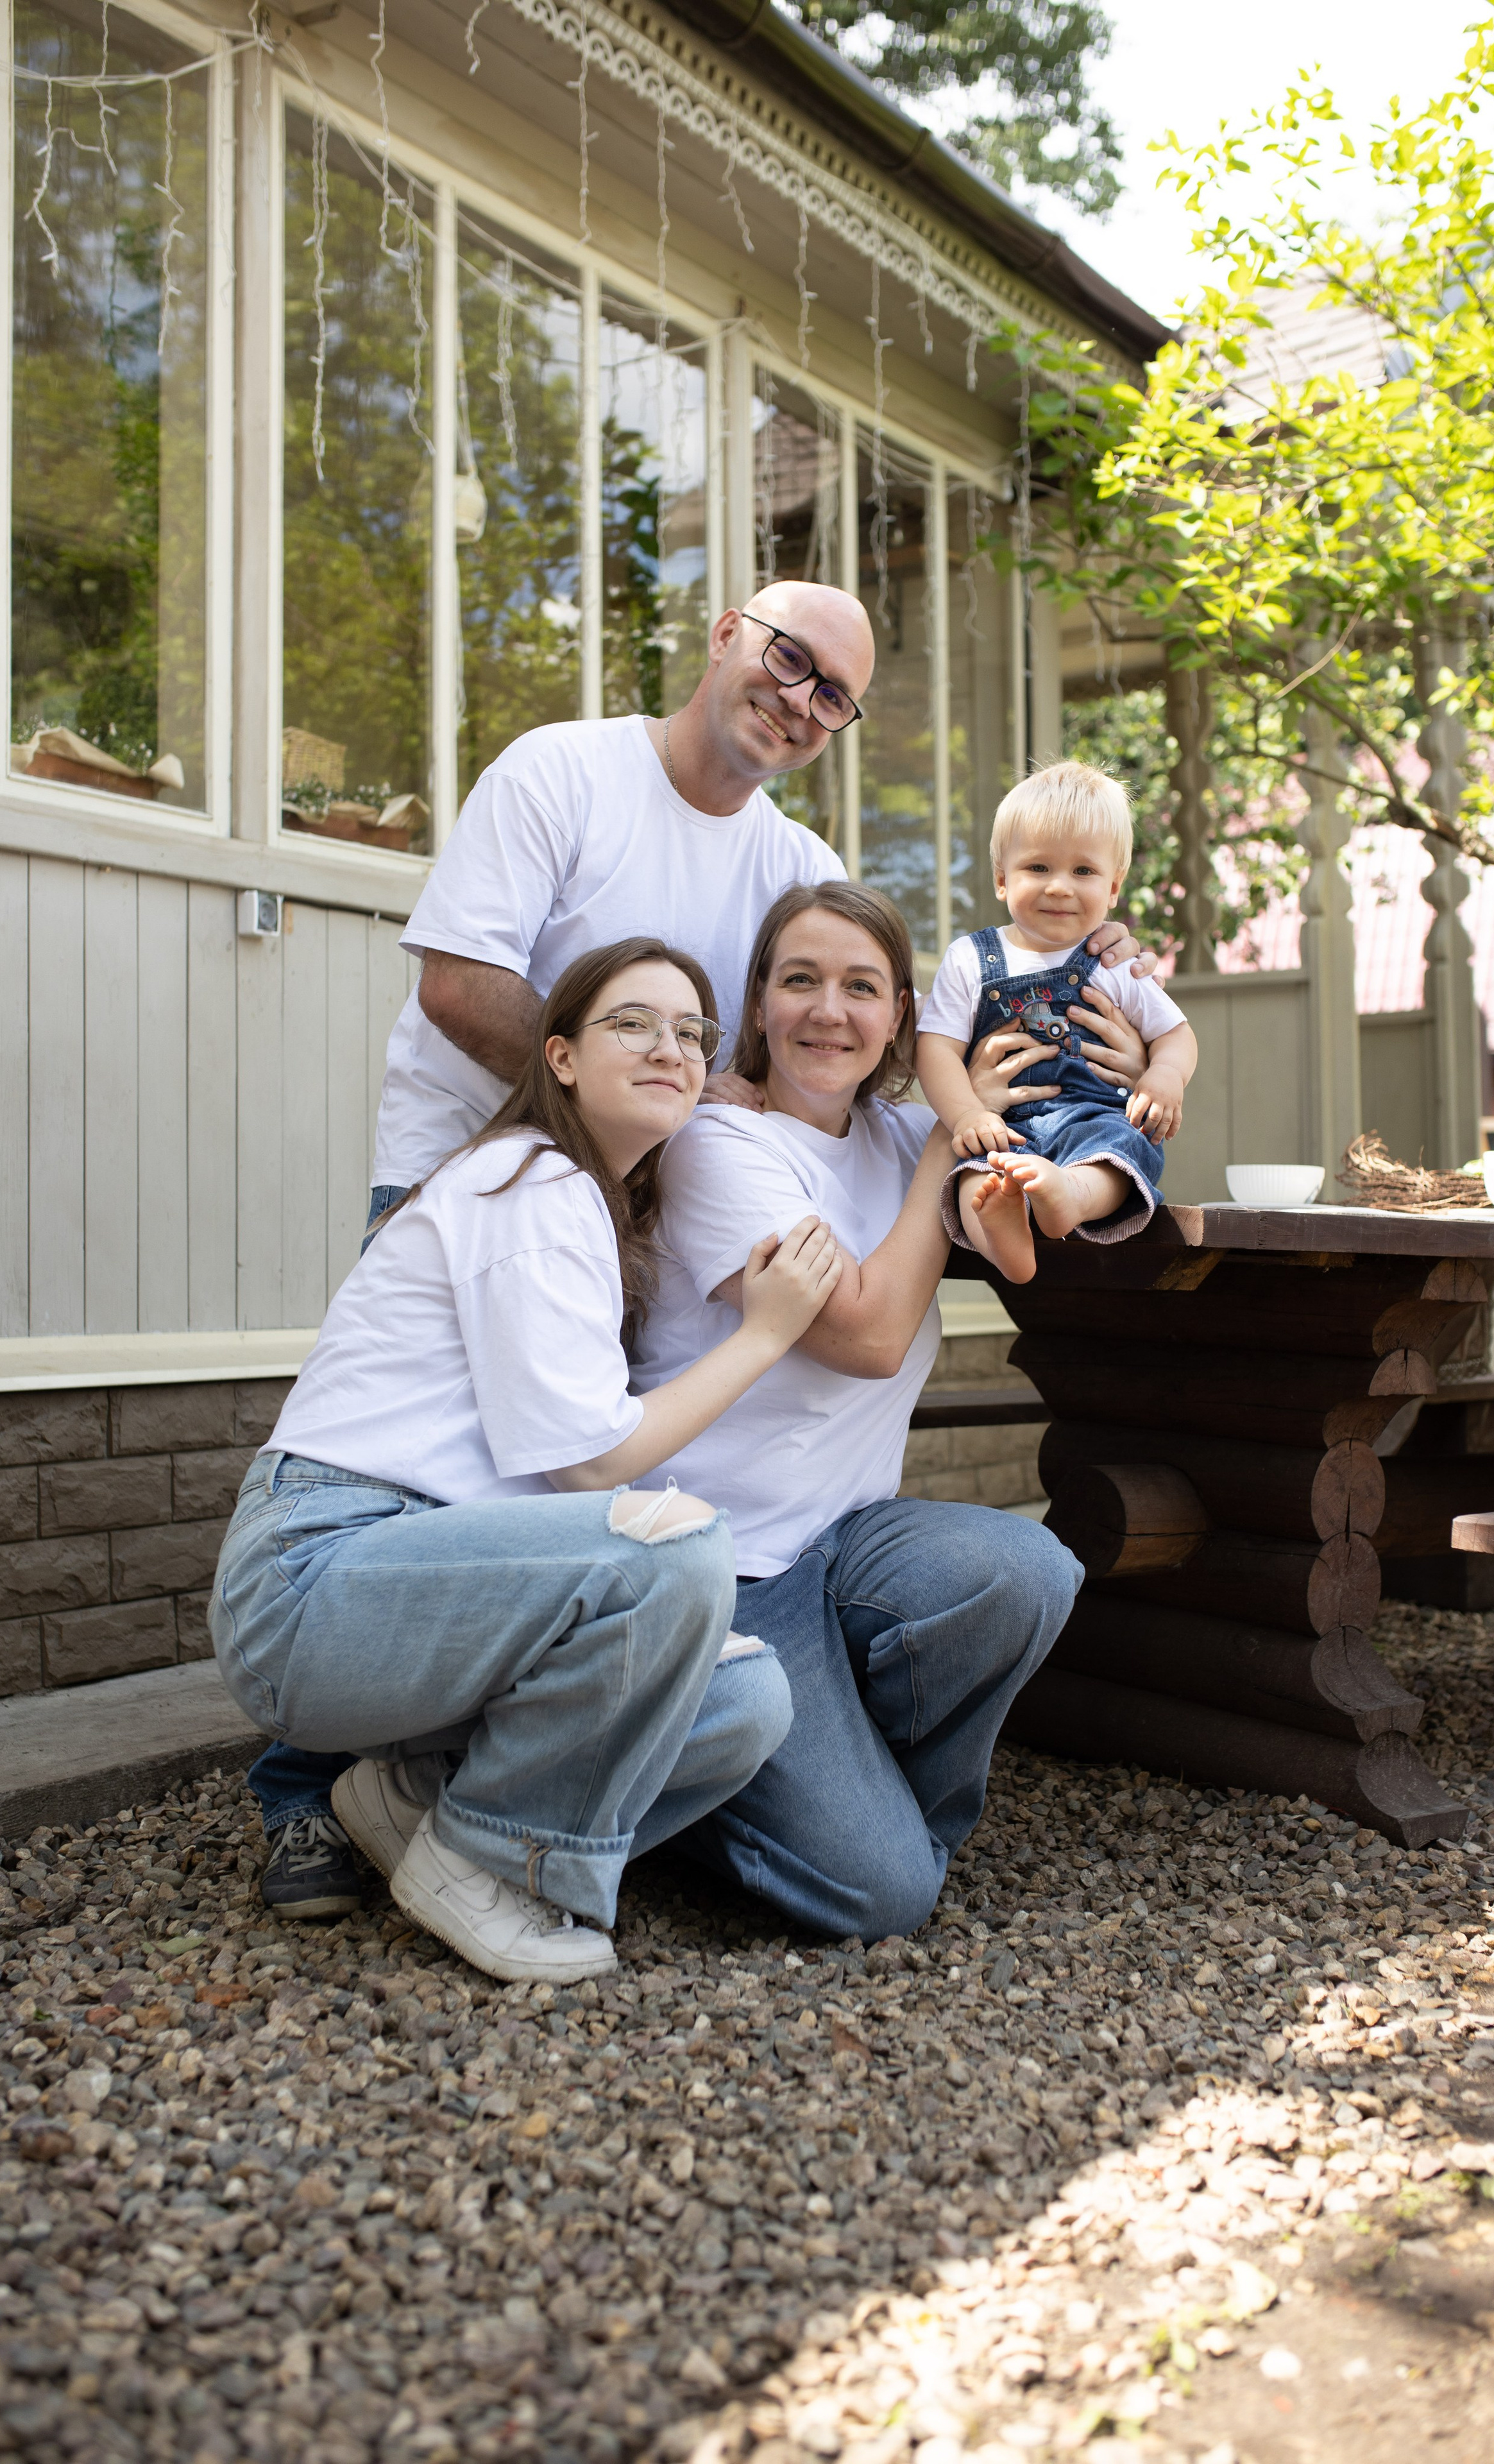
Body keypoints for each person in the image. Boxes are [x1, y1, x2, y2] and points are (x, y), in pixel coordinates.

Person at [251, 581, 1156, 1915]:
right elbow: (456, 984)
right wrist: (644, 1109)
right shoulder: (566, 771)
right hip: (483, 1172)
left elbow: (874, 1000)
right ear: (729, 630)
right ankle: (317, 1792)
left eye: (831, 693)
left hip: (640, 1207)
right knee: (443, 1486)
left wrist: (1093, 985)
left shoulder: (787, 862)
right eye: (789, 660)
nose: (799, 698)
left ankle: (648, 1763)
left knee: (575, 1491)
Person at [208, 940, 845, 1981]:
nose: (671, 1048)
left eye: (691, 1033)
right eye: (632, 1023)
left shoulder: (587, 1206)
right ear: (558, 1057)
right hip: (317, 1576)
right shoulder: (528, 1182)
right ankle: (477, 1866)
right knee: (679, 1547)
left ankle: (418, 1805)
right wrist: (765, 1335)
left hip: (435, 1583)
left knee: (747, 1702)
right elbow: (597, 1470)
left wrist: (682, 1636)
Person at [629, 881, 1083, 1940]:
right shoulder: (717, 1147)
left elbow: (1031, 1224)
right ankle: (678, 1795)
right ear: (757, 1004)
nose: (828, 1011)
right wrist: (946, 1145)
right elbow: (869, 1337)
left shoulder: (893, 1132)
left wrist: (1117, 1048)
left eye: (860, 988)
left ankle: (842, 1803)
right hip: (720, 1563)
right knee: (882, 1896)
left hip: (843, 1545)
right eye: (800, 981)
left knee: (1032, 1571)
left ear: (900, 1018)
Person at [916, 761, 1198, 1281]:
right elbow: (934, 1049)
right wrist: (965, 1117)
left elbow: (1175, 1034)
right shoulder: (971, 959)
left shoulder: (1115, 963)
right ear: (1003, 879)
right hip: (1003, 1125)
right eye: (1039, 868)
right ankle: (1007, 1245)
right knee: (970, 1177)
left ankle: (1068, 1196)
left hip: (1094, 1117)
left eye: (1084, 872)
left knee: (1118, 1155)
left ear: (1114, 887)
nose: (1060, 888)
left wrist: (1163, 1076)